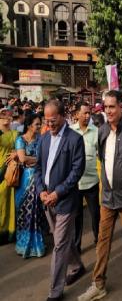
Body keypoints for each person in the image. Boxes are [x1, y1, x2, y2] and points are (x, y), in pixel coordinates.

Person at [78, 90, 122, 301]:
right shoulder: (102, 131)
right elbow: (102, 156)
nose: (107, 111)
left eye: (111, 106)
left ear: (120, 107)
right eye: (105, 107)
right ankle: (98, 283)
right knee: (102, 240)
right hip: (107, 197)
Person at [34, 99, 86, 301]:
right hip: (47, 199)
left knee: (59, 245)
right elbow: (38, 168)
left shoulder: (74, 139)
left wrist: (58, 193)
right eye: (46, 120)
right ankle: (77, 266)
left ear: (63, 116)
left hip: (64, 201)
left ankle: (55, 291)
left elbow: (76, 171)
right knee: (61, 239)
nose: (49, 124)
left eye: (53, 120)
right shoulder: (44, 138)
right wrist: (41, 191)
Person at [70, 102, 100, 255]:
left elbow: (101, 156)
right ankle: (76, 246)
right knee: (77, 217)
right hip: (75, 183)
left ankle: (98, 241)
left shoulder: (96, 132)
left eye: (89, 113)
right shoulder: (70, 131)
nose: (88, 116)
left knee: (95, 214)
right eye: (85, 113)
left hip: (92, 181)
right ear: (76, 115)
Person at [15, 113, 46, 258]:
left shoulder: (41, 139)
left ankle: (37, 244)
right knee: (24, 212)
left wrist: (31, 160)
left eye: (40, 124)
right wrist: (35, 160)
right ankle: (24, 244)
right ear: (29, 126)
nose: (40, 127)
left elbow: (42, 159)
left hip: (39, 178)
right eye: (37, 124)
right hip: (25, 181)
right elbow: (22, 159)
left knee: (37, 210)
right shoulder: (20, 140)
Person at [0, 109, 19, 244]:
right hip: (1, 171)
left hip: (13, 171)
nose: (6, 117)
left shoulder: (15, 133)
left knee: (11, 202)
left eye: (8, 115)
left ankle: (10, 233)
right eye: (2, 115)